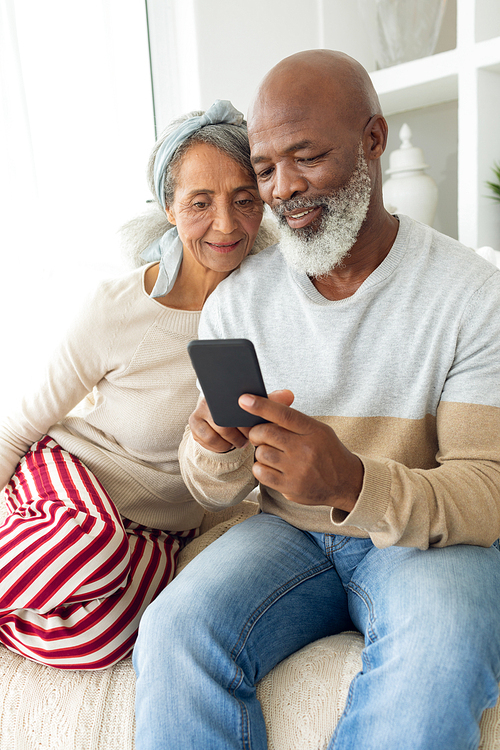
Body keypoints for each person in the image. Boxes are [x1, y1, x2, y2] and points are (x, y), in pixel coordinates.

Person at [133, 50, 500, 749]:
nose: (283, 190)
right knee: (175, 630)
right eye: (265, 169)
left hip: (423, 538)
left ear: (373, 140)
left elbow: (489, 488)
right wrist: (211, 449)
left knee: (443, 649)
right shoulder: (239, 299)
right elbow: (214, 490)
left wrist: (351, 482)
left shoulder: (472, 295)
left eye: (307, 157)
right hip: (289, 533)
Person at [0, 99, 275, 670]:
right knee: (91, 547)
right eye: (200, 203)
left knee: (102, 642)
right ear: (169, 209)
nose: (226, 224)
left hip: (157, 527)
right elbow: (16, 428)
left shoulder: (269, 310)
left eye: (244, 200)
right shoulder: (117, 307)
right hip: (70, 477)